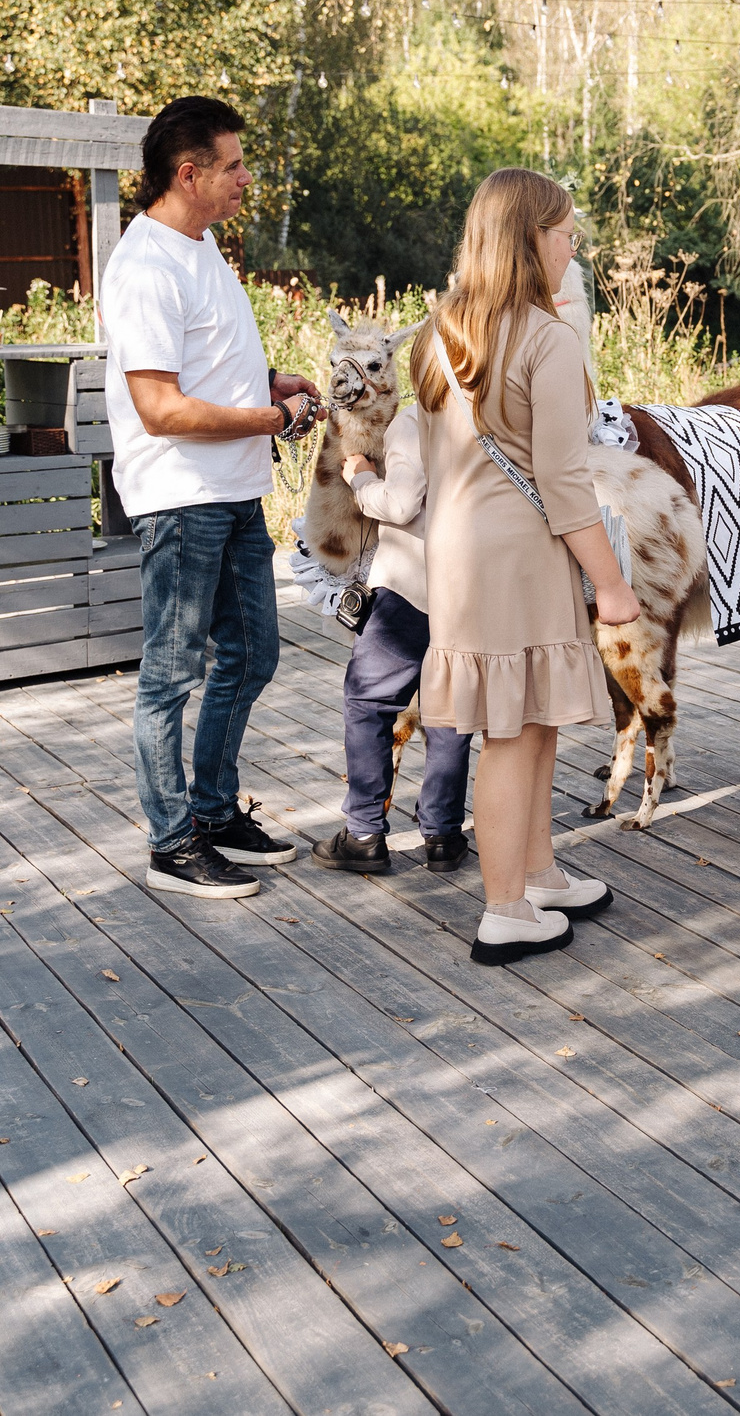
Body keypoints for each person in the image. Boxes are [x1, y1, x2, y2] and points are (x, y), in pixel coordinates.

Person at [411, 168, 640, 966]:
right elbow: (565, 478)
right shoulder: (546, 338)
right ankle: (505, 904)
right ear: (528, 237)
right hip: (520, 554)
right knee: (513, 729)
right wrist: (612, 583)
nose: (572, 245)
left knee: (528, 712)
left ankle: (535, 871)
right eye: (564, 231)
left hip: (464, 553)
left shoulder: (441, 331)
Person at [100, 96, 322, 898]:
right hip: (181, 500)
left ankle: (216, 811)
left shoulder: (203, 247)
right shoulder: (145, 267)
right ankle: (171, 840)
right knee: (168, 673)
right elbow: (161, 408)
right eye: (231, 166)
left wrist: (271, 382)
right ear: (187, 174)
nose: (244, 178)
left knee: (254, 654)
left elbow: (203, 369)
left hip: (233, 493)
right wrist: (270, 416)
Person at [323, 400, 476, 873]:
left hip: (416, 583)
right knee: (449, 707)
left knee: (368, 699)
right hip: (474, 590)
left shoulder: (418, 418)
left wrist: (362, 477)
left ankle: (364, 832)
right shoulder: (498, 411)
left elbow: (403, 503)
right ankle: (443, 834)